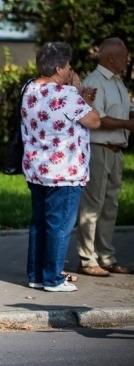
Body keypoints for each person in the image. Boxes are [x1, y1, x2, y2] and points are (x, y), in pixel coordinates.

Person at [22, 42, 100, 292]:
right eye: (68, 66)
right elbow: (94, 121)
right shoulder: (66, 95)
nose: (70, 70)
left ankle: (35, 275)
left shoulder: (29, 89)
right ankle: (53, 278)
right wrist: (78, 92)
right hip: (65, 173)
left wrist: (79, 98)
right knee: (59, 225)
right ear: (58, 68)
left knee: (39, 224)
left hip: (36, 170)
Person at [75, 37, 134, 277]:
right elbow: (96, 117)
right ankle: (87, 259)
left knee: (110, 206)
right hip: (99, 149)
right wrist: (129, 125)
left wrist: (129, 118)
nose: (127, 60)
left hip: (116, 150)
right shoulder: (95, 81)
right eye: (124, 56)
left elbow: (123, 112)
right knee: (93, 206)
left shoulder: (118, 83)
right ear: (111, 57)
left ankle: (106, 257)